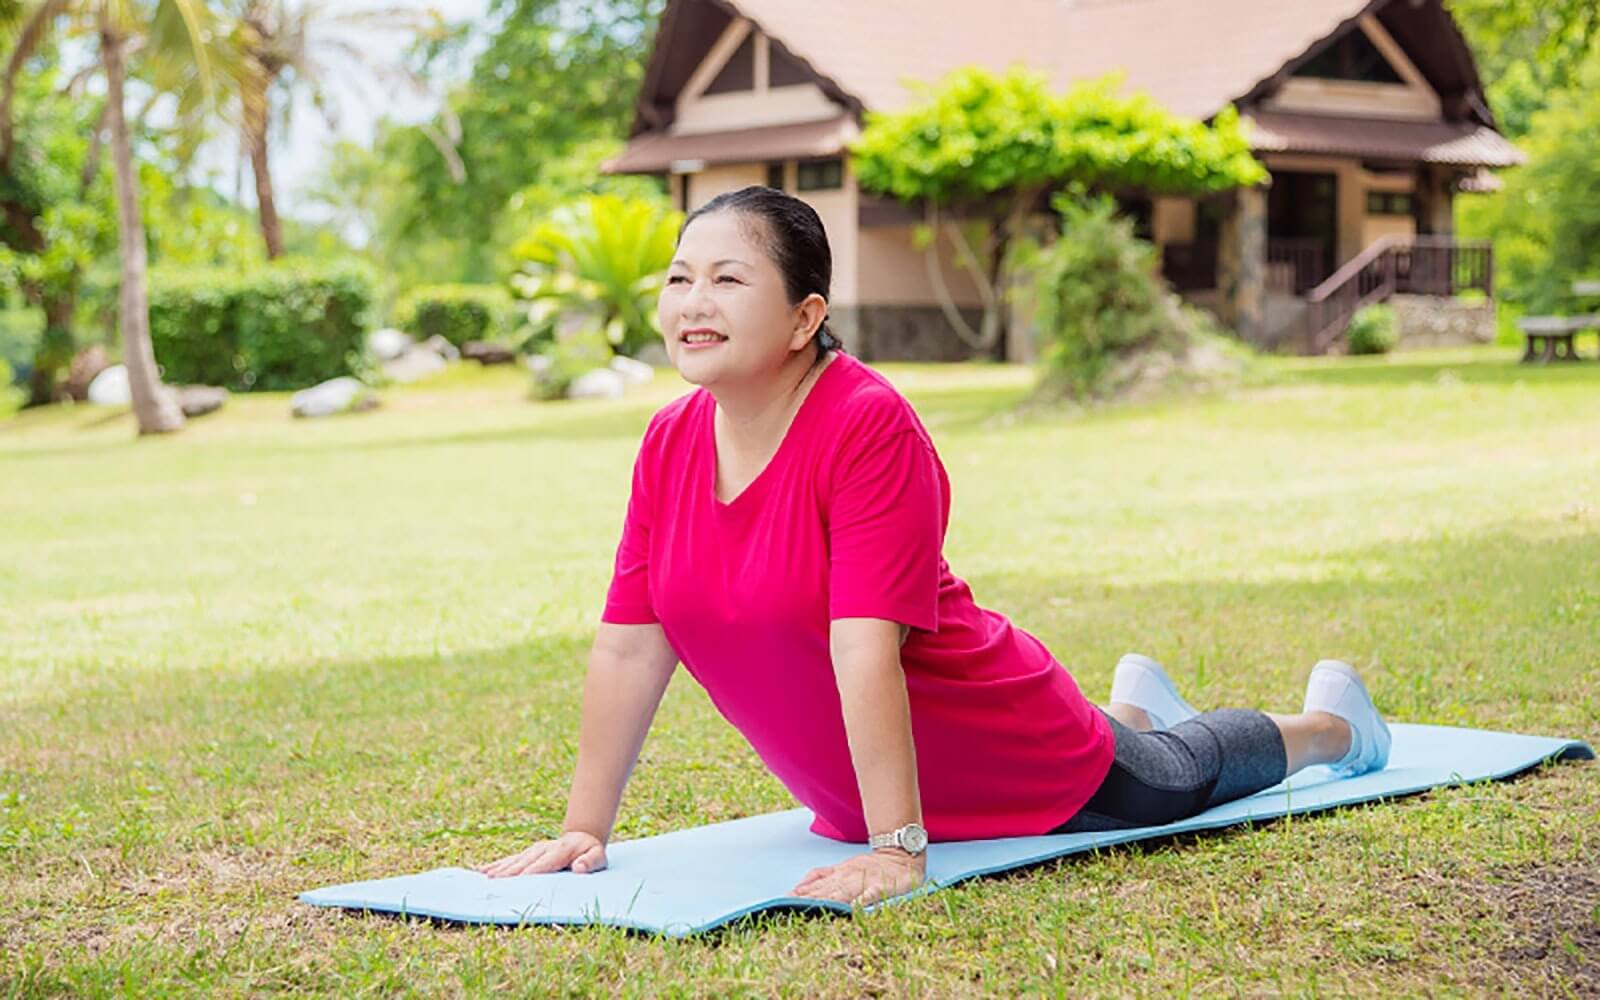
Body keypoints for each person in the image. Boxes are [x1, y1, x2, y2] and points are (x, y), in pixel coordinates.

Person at [477, 186, 1391, 906]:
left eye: (728, 278)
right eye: (679, 278)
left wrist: (895, 847)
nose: (692, 302)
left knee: (1175, 780)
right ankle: (1134, 710)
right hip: (868, 792)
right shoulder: (669, 441)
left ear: (804, 319)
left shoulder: (867, 425)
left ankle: (1336, 726)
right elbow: (633, 644)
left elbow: (864, 645)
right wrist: (583, 829)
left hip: (1010, 749)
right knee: (1143, 750)